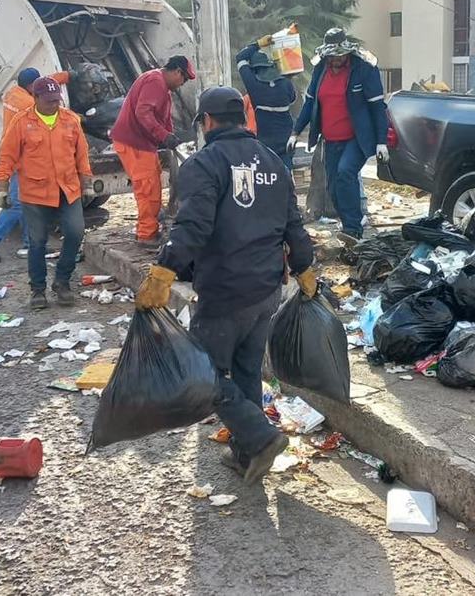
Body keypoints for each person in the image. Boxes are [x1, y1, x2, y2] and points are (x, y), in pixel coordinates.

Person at [135, 86, 316, 485]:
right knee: (247, 371)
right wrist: (305, 270)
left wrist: (164, 271)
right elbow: (294, 226)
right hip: (267, 291)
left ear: (207, 121)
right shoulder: (273, 162)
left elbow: (192, 227)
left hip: (225, 291)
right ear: (243, 119)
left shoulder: (205, 163)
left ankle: (260, 436)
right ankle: (247, 453)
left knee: (204, 376)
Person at [0, 76, 93, 309]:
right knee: (37, 241)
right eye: (49, 100)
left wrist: (87, 183)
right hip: (35, 193)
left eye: (56, 100)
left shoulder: (70, 120)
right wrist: (1, 188)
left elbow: (82, 155)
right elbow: (6, 156)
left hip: (67, 189)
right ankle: (38, 290)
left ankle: (62, 282)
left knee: (76, 232)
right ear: (35, 98)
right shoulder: (21, 122)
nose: (54, 104)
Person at [287, 28, 390, 245]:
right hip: (331, 139)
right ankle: (348, 225)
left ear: (347, 52)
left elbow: (377, 107)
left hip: (357, 138)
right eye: (332, 56)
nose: (336, 60)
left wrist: (381, 141)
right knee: (334, 187)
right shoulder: (320, 69)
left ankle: (353, 228)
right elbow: (309, 103)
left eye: (340, 55)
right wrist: (295, 132)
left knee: (345, 173)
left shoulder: (363, 68)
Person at [0, 67, 71, 262]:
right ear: (30, 86)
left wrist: (67, 76)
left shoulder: (14, 92)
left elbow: (45, 82)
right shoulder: (27, 103)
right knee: (18, 205)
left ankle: (32, 245)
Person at [111, 56, 195, 246]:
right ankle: (146, 235)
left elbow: (161, 117)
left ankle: (149, 227)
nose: (182, 84)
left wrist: (169, 136)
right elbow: (143, 113)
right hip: (135, 142)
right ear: (177, 71)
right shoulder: (155, 82)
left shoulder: (158, 83)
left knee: (151, 184)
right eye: (184, 79)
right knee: (148, 189)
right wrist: (164, 136)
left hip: (137, 142)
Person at [236, 37, 297, 167]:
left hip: (265, 144)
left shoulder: (253, 84)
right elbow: (292, 98)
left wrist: (258, 44)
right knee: (285, 175)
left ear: (254, 69)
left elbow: (240, 58)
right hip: (285, 142)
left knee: (267, 176)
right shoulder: (285, 82)